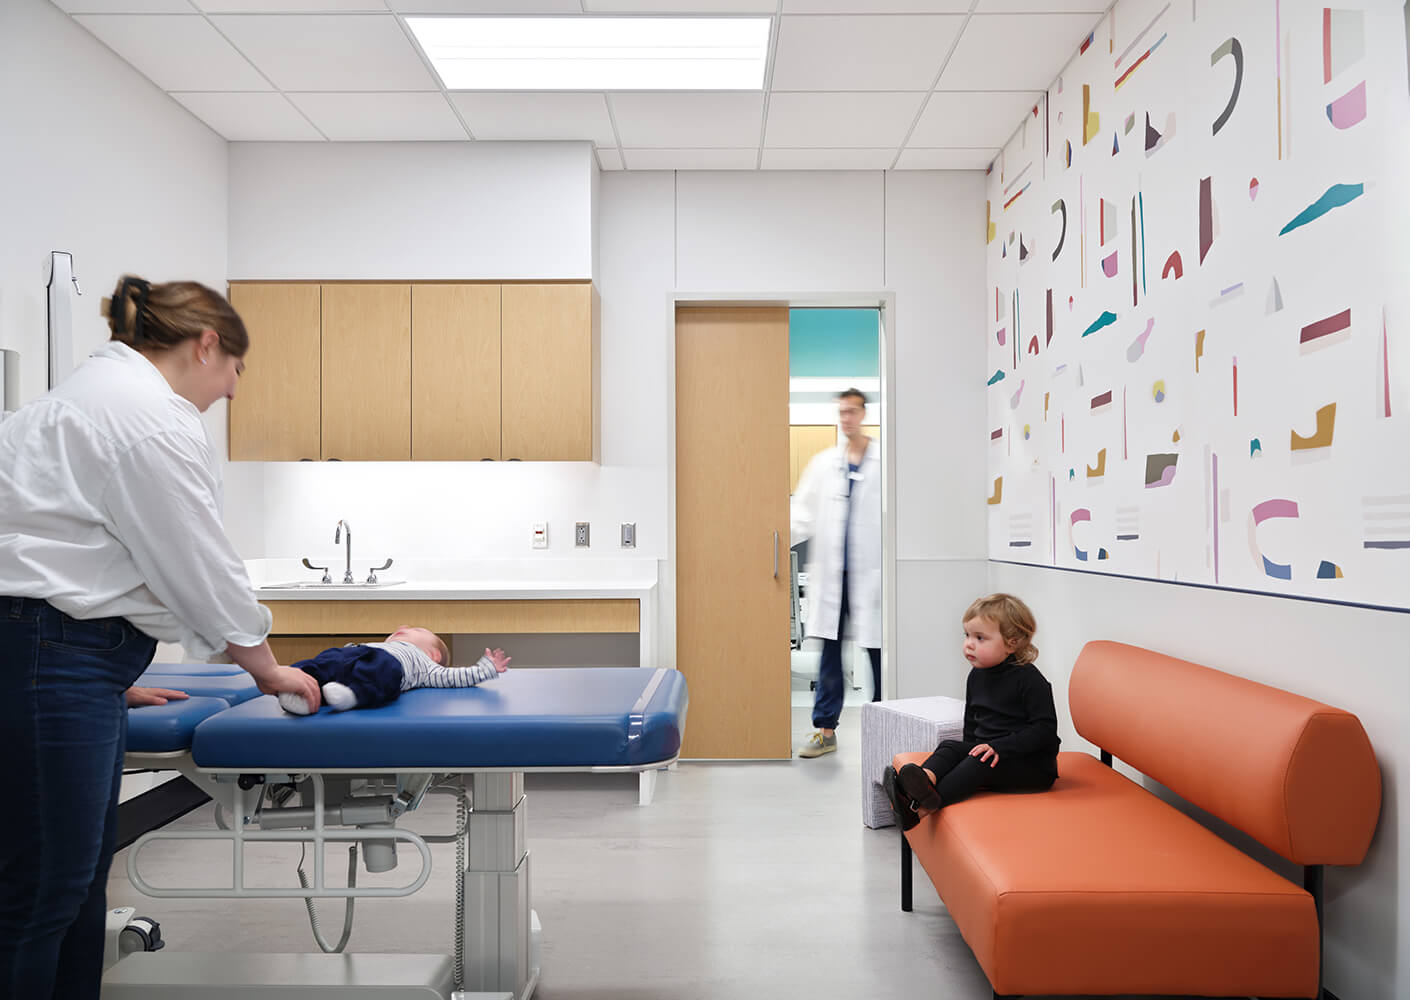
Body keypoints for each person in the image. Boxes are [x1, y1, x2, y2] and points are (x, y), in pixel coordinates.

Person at [0, 275, 322, 1000]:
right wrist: (267, 669)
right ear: (206, 344)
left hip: (54, 658)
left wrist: (98, 669)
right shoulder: (146, 417)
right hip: (52, 659)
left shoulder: (72, 403)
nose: (234, 391)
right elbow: (198, 562)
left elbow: (63, 555)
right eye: (237, 369)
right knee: (44, 891)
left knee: (72, 885)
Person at [882, 593, 1059, 830]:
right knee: (950, 747)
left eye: (980, 637)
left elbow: (1045, 730)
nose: (969, 643)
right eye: (967, 635)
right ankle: (924, 781)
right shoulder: (977, 675)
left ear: (1011, 642)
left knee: (979, 761)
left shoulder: (1029, 680)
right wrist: (965, 755)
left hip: (1030, 766)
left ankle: (919, 809)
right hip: (991, 754)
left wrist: (999, 748)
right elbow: (972, 724)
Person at [790, 388, 881, 758]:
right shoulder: (824, 463)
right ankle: (825, 731)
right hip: (833, 578)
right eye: (841, 412)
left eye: (852, 411)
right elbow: (801, 516)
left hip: (871, 575)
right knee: (830, 652)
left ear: (863, 413)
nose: (846, 418)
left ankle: (886, 725)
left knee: (878, 651)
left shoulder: (882, 461)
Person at [278, 626, 511, 714]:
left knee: (385, 673)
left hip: (385, 664)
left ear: (433, 654)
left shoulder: (425, 665)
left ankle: (354, 696)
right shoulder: (380, 645)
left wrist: (486, 668)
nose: (403, 627)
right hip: (353, 653)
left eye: (415, 629)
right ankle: (294, 692)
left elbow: (454, 677)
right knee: (324, 661)